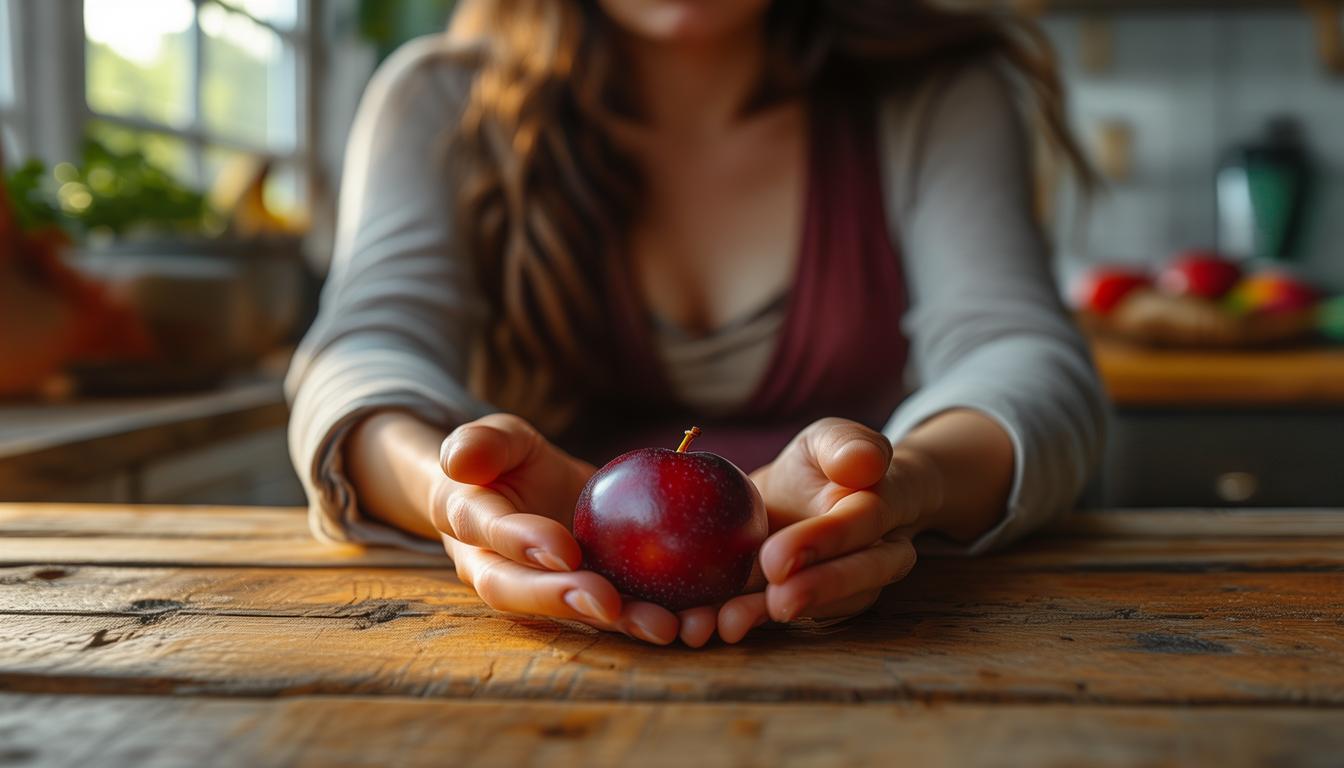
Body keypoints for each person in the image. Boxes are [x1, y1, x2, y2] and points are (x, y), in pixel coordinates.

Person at [286, 0, 1106, 648]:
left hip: (876, 646)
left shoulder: (938, 90)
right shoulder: (439, 96)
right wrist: (454, 496)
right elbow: (363, 349)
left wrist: (907, 487)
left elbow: (1020, 354)